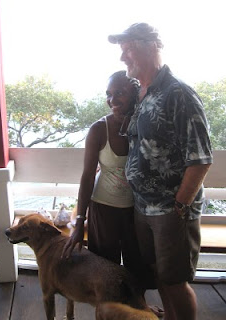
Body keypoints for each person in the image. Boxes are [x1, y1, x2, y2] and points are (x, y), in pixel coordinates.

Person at [108, 23, 213, 320]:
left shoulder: (178, 94)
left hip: (171, 210)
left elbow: (201, 158)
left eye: (128, 49)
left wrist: (179, 205)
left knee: (175, 281)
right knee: (159, 275)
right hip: (143, 208)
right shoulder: (143, 94)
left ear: (152, 45)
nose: (123, 58)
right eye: (122, 51)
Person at [63, 71, 157, 288]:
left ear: (136, 93)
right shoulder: (99, 129)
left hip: (136, 210)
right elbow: (87, 176)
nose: (112, 100)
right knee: (105, 267)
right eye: (109, 94)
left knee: (138, 266)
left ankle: (136, 308)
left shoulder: (145, 125)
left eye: (120, 93)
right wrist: (79, 222)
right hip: (103, 209)